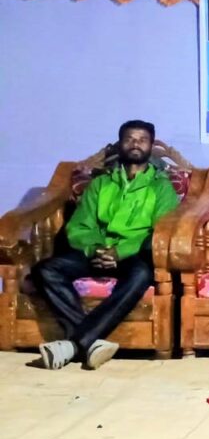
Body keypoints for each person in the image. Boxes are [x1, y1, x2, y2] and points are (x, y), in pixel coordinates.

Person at [33, 120, 180, 370]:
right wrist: (96, 249)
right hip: (96, 251)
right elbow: (79, 225)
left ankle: (73, 345)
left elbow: (161, 230)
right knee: (46, 269)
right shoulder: (101, 183)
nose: (135, 144)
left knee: (142, 274)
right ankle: (90, 343)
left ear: (151, 146)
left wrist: (120, 251)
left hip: (133, 255)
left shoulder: (161, 187)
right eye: (129, 139)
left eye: (142, 140)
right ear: (120, 144)